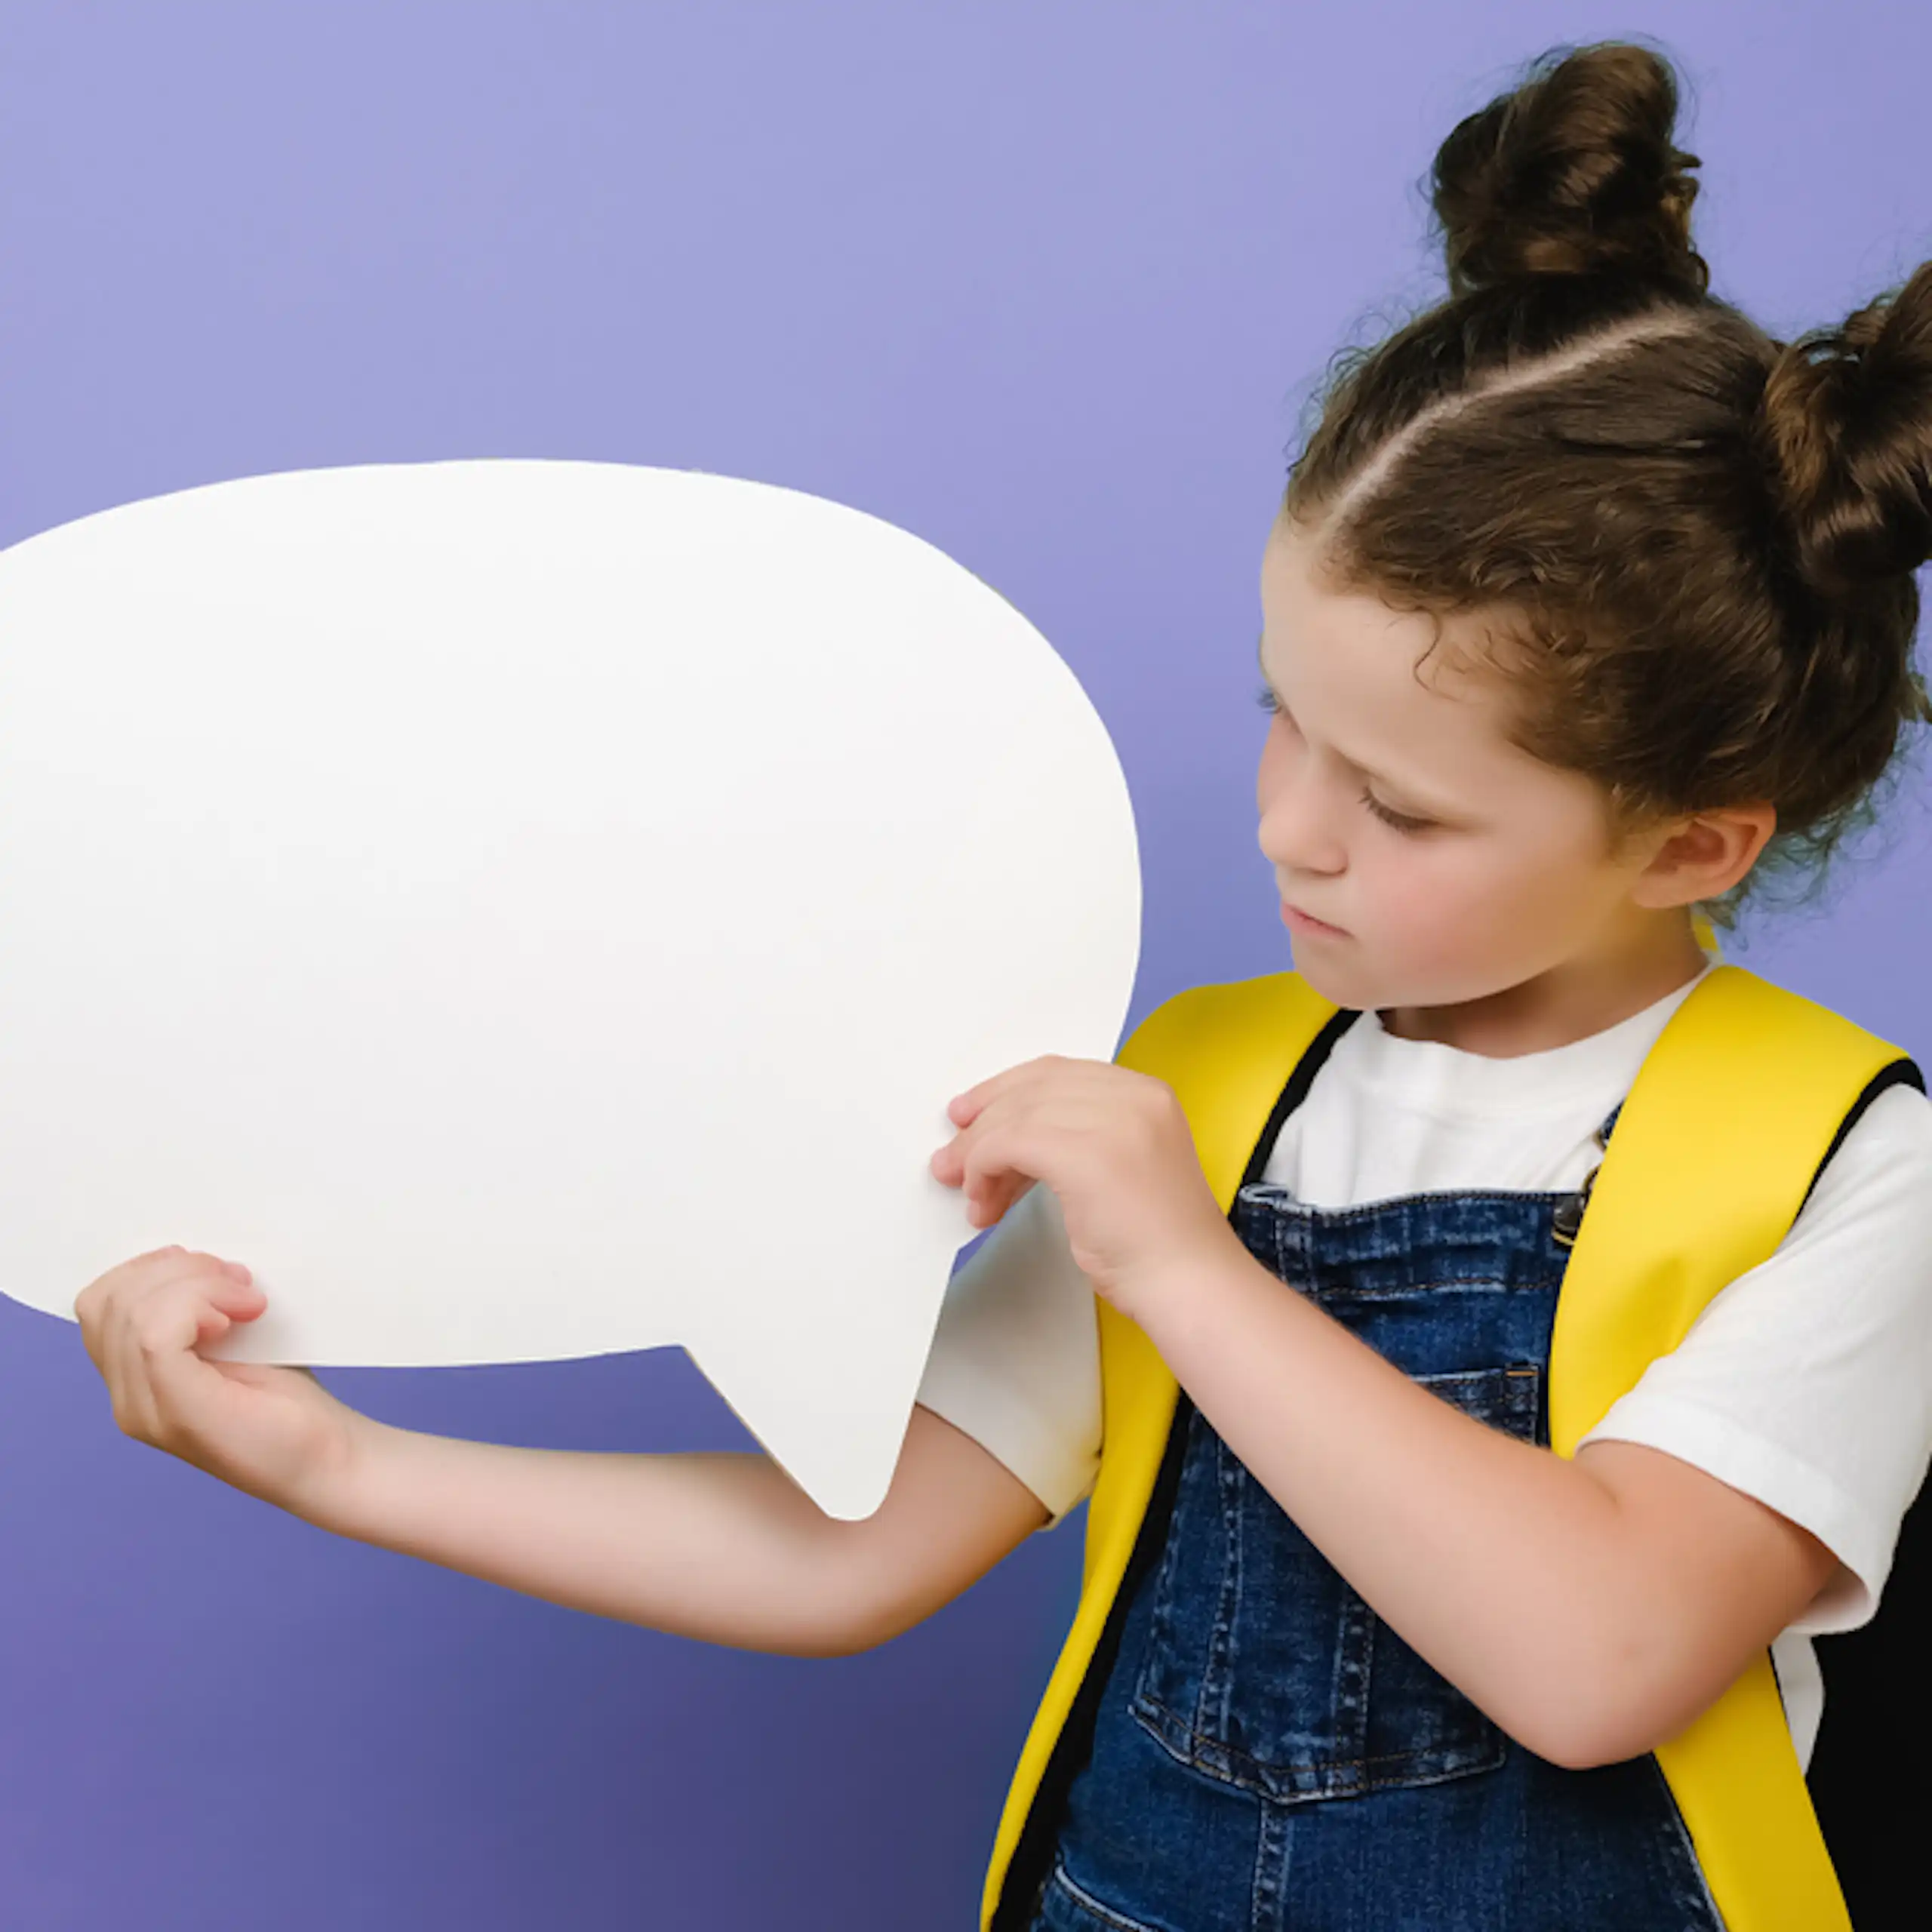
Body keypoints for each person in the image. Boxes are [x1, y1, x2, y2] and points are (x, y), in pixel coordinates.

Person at [75, 35, 1932, 1931]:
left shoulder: (1844, 1163)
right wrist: (336, 1459)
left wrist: (1186, 1270)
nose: (1289, 828)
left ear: (1693, 840)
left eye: (1398, 804)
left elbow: (1595, 1659)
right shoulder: (1191, 1088)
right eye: (1280, 718)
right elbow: (845, 1547)